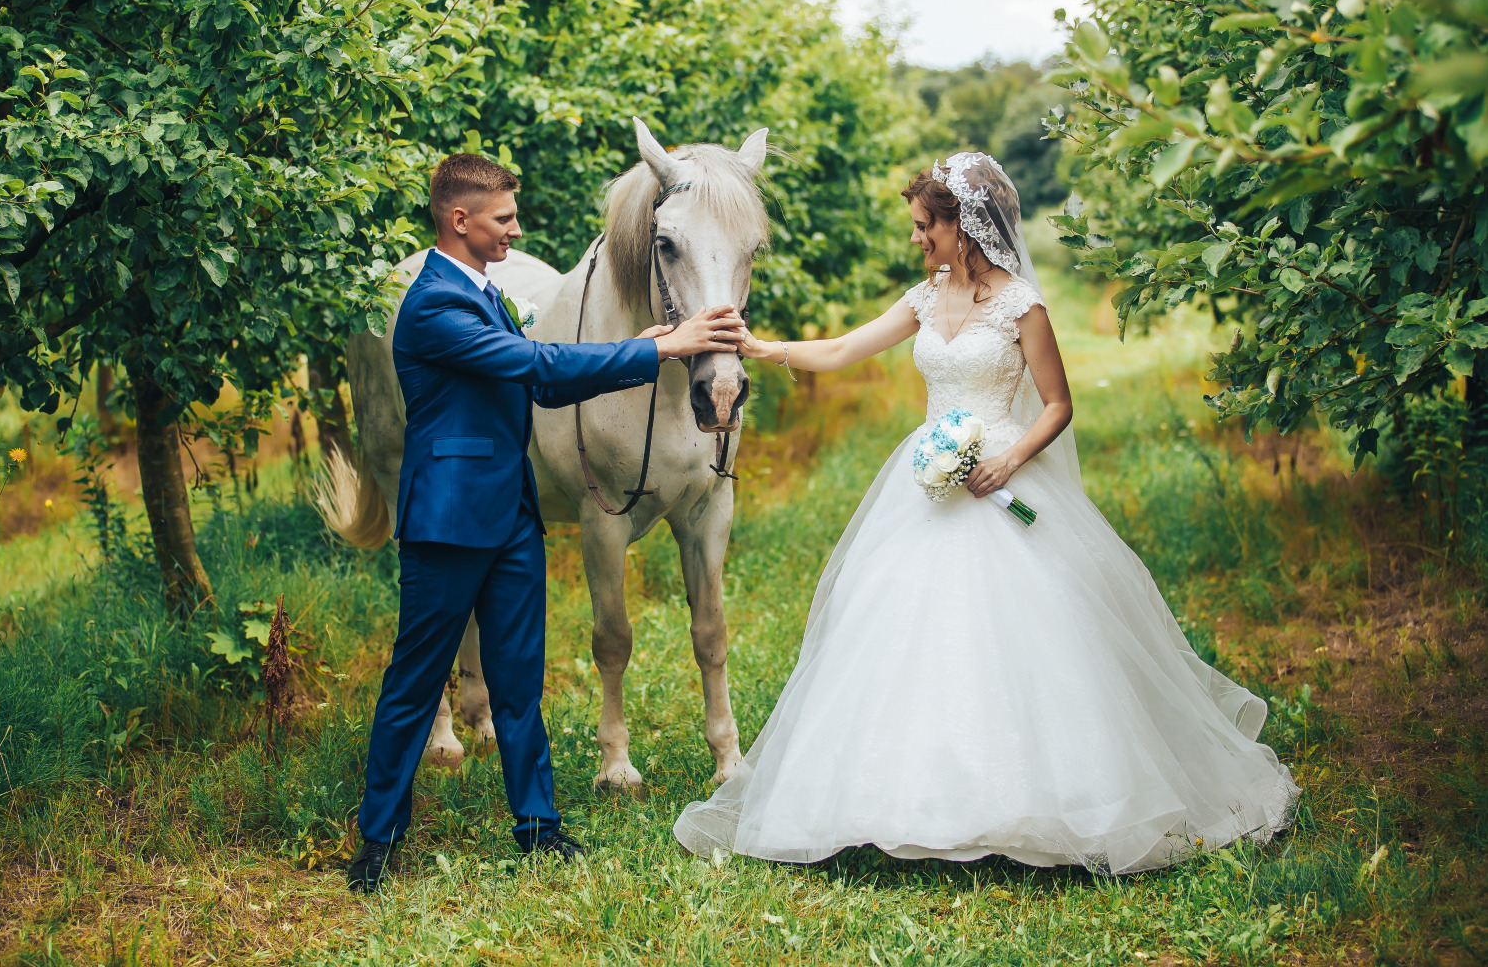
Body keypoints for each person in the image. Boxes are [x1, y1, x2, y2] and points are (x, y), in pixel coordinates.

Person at [673, 153, 1298, 875]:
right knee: (894, 621)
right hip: (926, 483)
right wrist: (759, 347)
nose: (915, 240)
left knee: (1033, 633)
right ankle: (896, 799)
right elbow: (844, 348)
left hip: (1002, 472)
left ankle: (1052, 799)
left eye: (922, 227)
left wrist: (1009, 459)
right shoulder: (922, 298)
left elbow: (1058, 404)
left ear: (961, 227)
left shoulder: (1019, 305)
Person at [349, 153, 745, 893]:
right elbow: (540, 369)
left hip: (512, 513)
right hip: (446, 521)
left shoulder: (486, 290)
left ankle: (537, 823)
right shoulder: (432, 303)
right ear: (458, 220)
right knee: (412, 681)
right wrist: (665, 345)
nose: (516, 230)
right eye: (503, 219)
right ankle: (377, 837)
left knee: (518, 681)